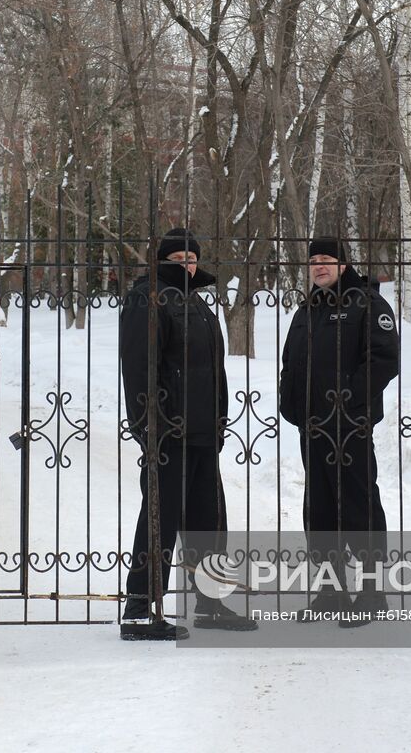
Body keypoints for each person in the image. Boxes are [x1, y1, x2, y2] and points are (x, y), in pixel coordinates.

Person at [118, 227, 256, 640]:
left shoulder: (197, 304)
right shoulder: (148, 298)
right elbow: (141, 367)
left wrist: (218, 421)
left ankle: (210, 603)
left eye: (191, 258)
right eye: (177, 259)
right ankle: (141, 608)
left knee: (208, 519)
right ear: (162, 262)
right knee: (162, 518)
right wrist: (150, 425)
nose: (187, 265)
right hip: (168, 433)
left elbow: (214, 371)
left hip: (201, 434)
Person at [278, 237, 400, 626]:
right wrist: (290, 402)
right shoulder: (307, 310)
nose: (319, 266)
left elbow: (384, 359)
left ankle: (370, 592)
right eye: (313, 261)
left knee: (358, 506)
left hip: (350, 427)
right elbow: (292, 362)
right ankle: (330, 591)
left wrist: (348, 398)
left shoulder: (367, 303)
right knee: (320, 510)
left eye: (327, 260)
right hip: (313, 428)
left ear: (343, 265)